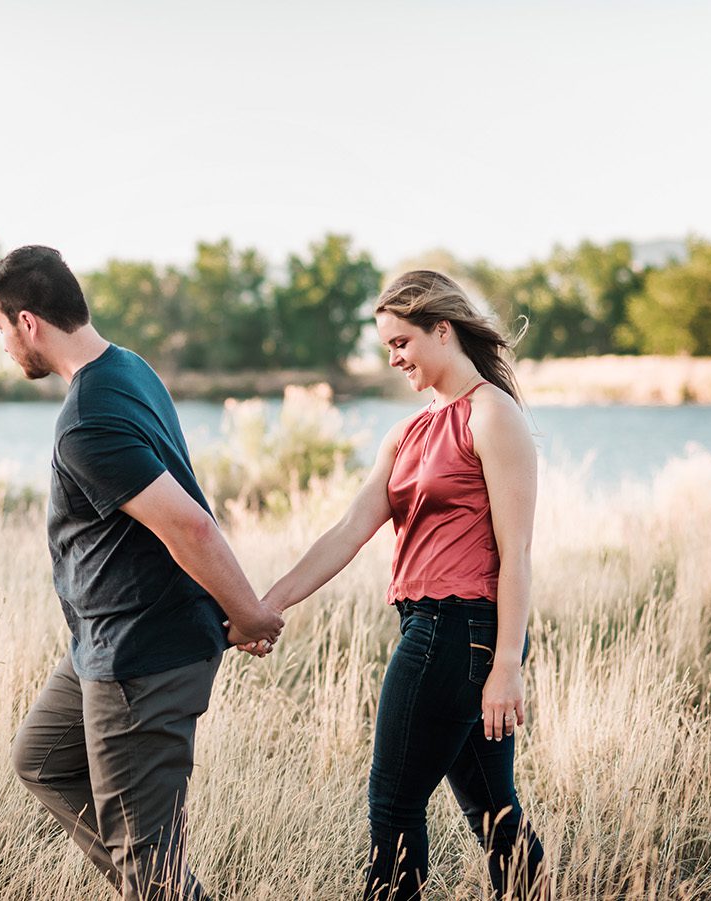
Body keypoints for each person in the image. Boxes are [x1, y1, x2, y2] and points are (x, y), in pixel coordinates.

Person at [0, 246, 283, 901]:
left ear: (28, 321)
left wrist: (250, 611)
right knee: (41, 757)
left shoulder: (86, 421)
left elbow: (189, 524)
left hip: (139, 658)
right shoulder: (129, 368)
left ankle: (156, 882)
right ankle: (161, 881)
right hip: (101, 645)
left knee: (148, 866)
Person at [253, 271, 546, 900]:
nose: (394, 358)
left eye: (402, 342)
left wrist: (507, 667)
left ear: (443, 330)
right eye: (387, 346)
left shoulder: (493, 417)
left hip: (458, 631)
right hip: (428, 626)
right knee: (497, 817)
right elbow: (348, 530)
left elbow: (516, 554)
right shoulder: (410, 431)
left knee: (393, 808)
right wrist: (266, 603)